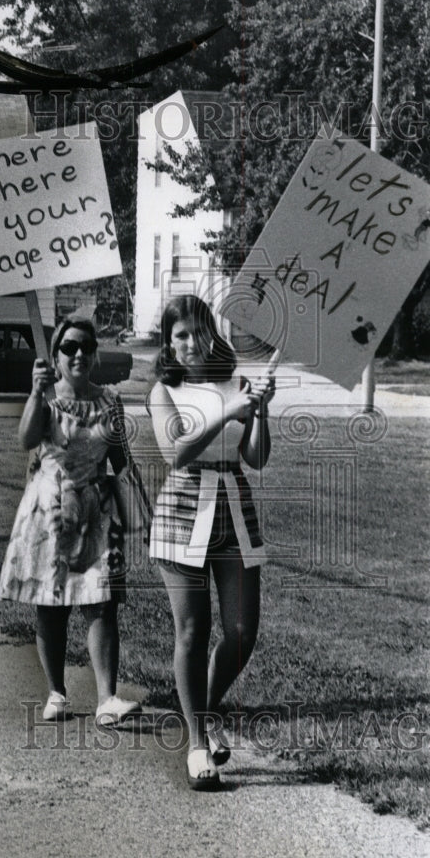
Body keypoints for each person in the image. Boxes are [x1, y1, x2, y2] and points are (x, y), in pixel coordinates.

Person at [148, 295, 275, 790]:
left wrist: (260, 412)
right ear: (168, 342)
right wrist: (229, 412)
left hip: (234, 511)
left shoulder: (238, 383)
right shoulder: (164, 390)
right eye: (177, 335)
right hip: (181, 516)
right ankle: (197, 744)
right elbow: (175, 452)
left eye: (195, 331)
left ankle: (202, 709)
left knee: (242, 632)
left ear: (211, 333)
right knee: (192, 631)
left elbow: (257, 459)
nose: (187, 342)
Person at [0, 317, 141, 726]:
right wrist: (34, 392)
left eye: (86, 346)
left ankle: (106, 699)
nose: (78, 354)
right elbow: (26, 441)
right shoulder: (47, 397)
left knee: (102, 603)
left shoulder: (110, 400)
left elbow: (120, 458)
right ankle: (57, 692)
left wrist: (137, 510)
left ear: (95, 354)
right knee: (51, 602)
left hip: (96, 505)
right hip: (51, 507)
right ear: (56, 355)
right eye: (69, 347)